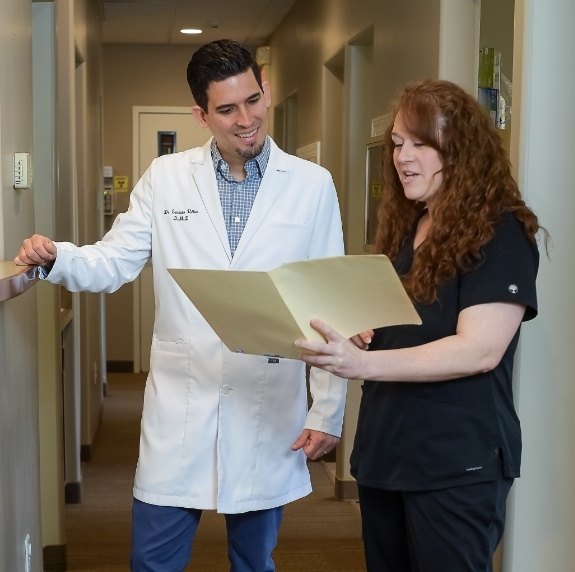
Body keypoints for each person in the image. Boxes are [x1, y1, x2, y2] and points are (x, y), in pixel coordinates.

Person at [15, 39, 347, 572]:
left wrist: (328, 409)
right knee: (153, 562)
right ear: (200, 114)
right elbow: (115, 261)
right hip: (182, 402)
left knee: (254, 561)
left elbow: (329, 301)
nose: (247, 119)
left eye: (254, 100)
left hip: (268, 402)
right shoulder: (166, 178)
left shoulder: (311, 186)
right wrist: (57, 257)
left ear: (265, 90)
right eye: (227, 109)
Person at [295, 78, 545, 572]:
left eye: (419, 144)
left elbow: (479, 350)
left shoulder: (502, 230)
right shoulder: (409, 226)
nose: (402, 157)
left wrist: (363, 361)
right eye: (397, 144)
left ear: (460, 150)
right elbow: (408, 325)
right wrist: (360, 327)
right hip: (388, 451)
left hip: (456, 461)